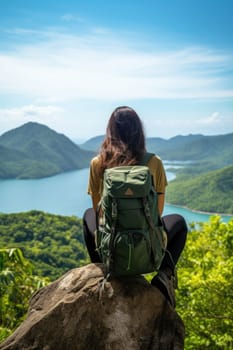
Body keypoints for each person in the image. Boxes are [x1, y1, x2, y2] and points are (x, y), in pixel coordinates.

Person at [83, 106, 187, 308]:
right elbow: (158, 212)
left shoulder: (98, 163)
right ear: (139, 131)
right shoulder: (153, 162)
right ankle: (164, 276)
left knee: (88, 215)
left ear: (110, 131)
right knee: (179, 223)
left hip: (112, 246)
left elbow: (98, 211)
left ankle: (101, 269)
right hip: (147, 248)